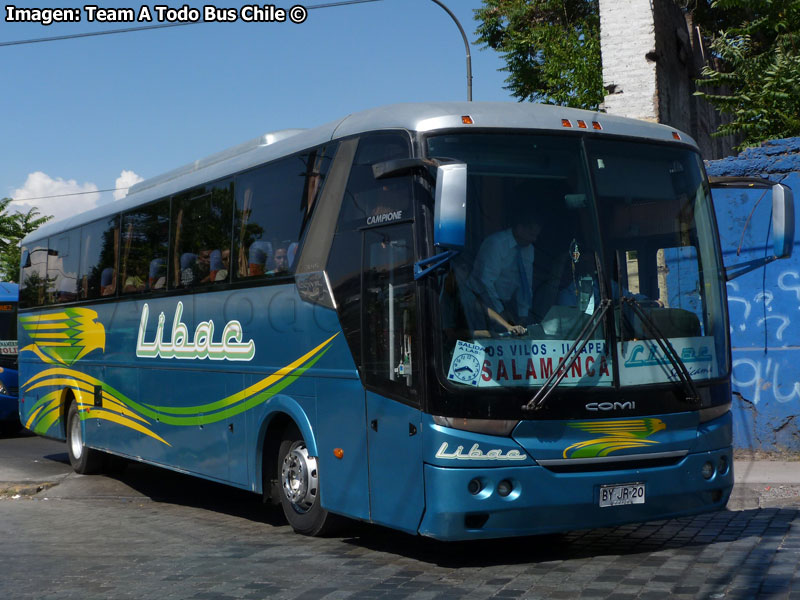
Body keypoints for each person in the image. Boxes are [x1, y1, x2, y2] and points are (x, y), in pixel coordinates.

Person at [469, 213, 542, 336]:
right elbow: (485, 283)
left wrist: (523, 315)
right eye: (531, 234)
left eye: (536, 236)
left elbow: (525, 285)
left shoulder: (529, 249)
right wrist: (500, 314)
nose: (534, 239)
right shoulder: (496, 244)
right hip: (482, 305)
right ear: (519, 229)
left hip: (507, 305)